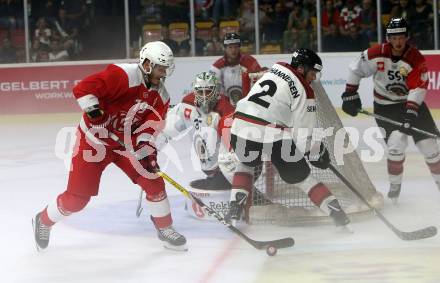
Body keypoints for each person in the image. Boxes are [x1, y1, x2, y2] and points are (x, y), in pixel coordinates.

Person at [32, 41, 187, 252]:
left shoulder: (162, 96)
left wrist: (146, 152)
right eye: (161, 68)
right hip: (93, 142)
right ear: (147, 64)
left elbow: (150, 128)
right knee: (77, 199)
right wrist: (95, 113)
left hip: (125, 145)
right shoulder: (123, 75)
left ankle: (165, 228)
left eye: (166, 68)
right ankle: (42, 220)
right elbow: (83, 89)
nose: (164, 73)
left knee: (153, 181)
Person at [225, 48, 350, 228]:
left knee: (245, 164)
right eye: (313, 72)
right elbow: (303, 135)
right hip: (272, 135)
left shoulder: (276, 69)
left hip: (240, 126)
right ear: (301, 69)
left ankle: (235, 207)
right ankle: (337, 214)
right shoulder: (305, 92)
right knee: (303, 178)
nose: (314, 77)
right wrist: (316, 151)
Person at [341, 18, 439, 203]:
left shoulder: (415, 58)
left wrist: (410, 113)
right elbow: (356, 69)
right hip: (385, 108)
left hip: (411, 105)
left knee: (431, 148)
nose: (398, 42)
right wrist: (349, 94)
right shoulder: (376, 53)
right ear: (388, 38)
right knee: (396, 146)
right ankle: (394, 190)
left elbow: (418, 88)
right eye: (394, 37)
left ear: (407, 37)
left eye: (401, 37)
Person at [159, 71, 234, 189]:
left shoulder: (225, 110)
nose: (204, 96)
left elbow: (231, 144)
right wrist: (152, 146)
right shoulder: (187, 105)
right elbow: (167, 129)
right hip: (209, 168)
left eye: (208, 91)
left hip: (226, 169)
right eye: (200, 91)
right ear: (195, 91)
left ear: (216, 91)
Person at [209, 33, 262, 107]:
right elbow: (213, 92)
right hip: (225, 107)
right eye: (230, 47)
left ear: (239, 47)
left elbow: (260, 83)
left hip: (248, 106)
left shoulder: (251, 61)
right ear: (225, 48)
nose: (233, 50)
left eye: (236, 47)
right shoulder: (217, 67)